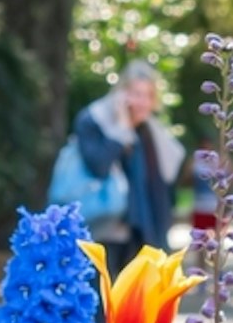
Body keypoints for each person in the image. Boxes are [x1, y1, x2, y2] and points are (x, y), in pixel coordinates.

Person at [66, 61, 183, 259]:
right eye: (137, 94)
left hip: (139, 232)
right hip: (102, 229)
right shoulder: (93, 120)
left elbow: (166, 181)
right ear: (121, 94)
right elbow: (99, 167)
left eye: (148, 96)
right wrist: (121, 128)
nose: (143, 103)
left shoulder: (148, 130)